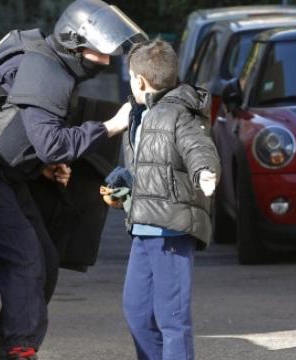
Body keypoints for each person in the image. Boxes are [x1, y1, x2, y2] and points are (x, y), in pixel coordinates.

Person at [0, 1, 146, 359]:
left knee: (44, 259)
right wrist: (111, 126)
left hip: (3, 171)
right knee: (27, 258)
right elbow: (50, 145)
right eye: (99, 52)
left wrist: (41, 167)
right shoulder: (46, 72)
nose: (107, 61)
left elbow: (21, 128)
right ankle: (20, 349)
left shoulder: (45, 60)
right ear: (73, 42)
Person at [101, 39, 220, 360]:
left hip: (171, 229)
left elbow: (198, 146)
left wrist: (205, 171)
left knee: (172, 318)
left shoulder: (180, 112)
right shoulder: (140, 113)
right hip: (143, 227)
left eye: (129, 78)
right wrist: (122, 181)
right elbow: (147, 163)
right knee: (137, 312)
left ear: (139, 80)